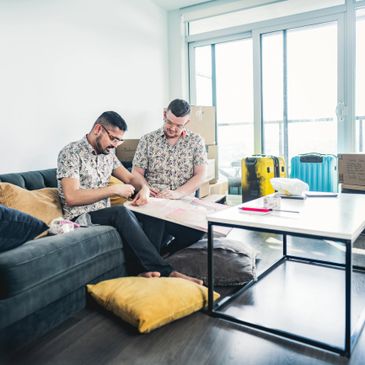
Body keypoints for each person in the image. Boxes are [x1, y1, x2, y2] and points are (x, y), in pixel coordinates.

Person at [57, 110, 202, 284]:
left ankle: (142, 270)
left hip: (105, 213)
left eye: (120, 140)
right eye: (113, 139)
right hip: (80, 218)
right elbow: (72, 197)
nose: (116, 145)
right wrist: (113, 190)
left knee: (152, 213)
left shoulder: (107, 154)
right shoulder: (70, 152)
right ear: (98, 129)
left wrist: (145, 189)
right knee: (120, 212)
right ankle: (166, 272)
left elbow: (131, 178)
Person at [132, 99, 208, 255]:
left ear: (187, 122)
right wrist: (145, 187)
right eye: (169, 122)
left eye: (179, 125)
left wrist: (178, 193)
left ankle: (163, 256)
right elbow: (136, 173)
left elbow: (200, 174)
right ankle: (153, 267)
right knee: (155, 220)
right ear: (164, 114)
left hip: (182, 202)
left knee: (199, 231)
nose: (173, 128)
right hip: (154, 201)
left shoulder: (196, 141)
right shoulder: (147, 140)